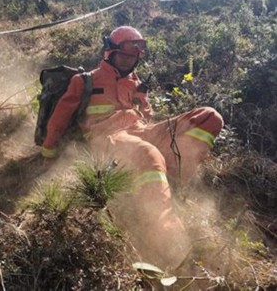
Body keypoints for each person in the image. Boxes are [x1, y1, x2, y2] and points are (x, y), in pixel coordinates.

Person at [41, 26, 224, 270]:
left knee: (210, 117)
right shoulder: (84, 81)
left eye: (133, 57)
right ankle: (167, 236)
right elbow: (59, 120)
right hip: (107, 138)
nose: (128, 61)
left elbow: (146, 117)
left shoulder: (135, 82)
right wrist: (49, 153)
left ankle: (173, 183)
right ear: (110, 52)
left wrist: (141, 103)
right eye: (124, 56)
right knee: (149, 154)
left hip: (141, 131)